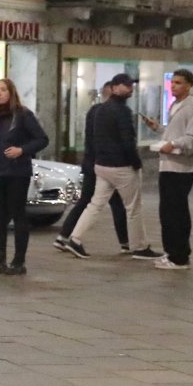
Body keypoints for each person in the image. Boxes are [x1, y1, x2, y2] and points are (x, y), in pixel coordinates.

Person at [57, 74, 159, 260]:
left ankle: (75, 239)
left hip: (102, 165)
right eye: (126, 85)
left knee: (95, 204)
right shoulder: (122, 111)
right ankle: (139, 247)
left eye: (131, 85)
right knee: (133, 207)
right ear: (114, 87)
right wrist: (135, 162)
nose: (130, 89)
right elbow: (127, 141)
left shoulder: (101, 109)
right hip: (121, 166)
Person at [0, 79, 49, 275]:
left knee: (18, 214)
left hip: (17, 172)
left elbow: (42, 139)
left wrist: (21, 150)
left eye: (3, 90)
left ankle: (18, 261)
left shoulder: (23, 115)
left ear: (11, 93)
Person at [56, 82, 130, 254]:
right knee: (113, 203)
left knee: (88, 201)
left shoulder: (93, 111)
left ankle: (64, 236)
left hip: (91, 163)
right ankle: (125, 242)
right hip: (104, 164)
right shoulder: (107, 112)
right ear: (112, 92)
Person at [152, 69, 193, 270]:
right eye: (172, 82)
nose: (173, 86)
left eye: (179, 83)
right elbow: (174, 132)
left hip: (180, 168)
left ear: (189, 85)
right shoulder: (175, 105)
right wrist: (158, 129)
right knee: (167, 211)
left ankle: (179, 256)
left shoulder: (192, 109)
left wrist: (173, 144)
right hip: (168, 164)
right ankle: (171, 251)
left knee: (176, 212)